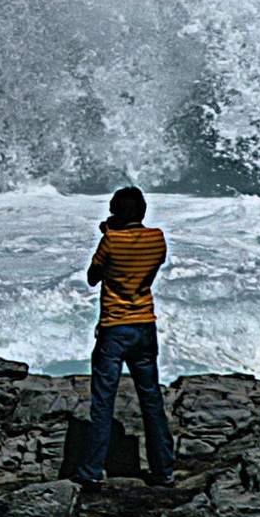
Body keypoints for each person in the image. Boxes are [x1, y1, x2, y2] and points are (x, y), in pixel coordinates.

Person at [70, 185, 176, 488]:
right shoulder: (157, 239)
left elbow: (92, 277)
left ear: (115, 213)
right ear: (142, 212)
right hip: (144, 326)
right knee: (151, 399)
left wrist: (107, 235)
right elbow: (150, 268)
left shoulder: (111, 241)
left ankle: (92, 470)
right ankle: (164, 470)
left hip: (114, 329)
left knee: (103, 402)